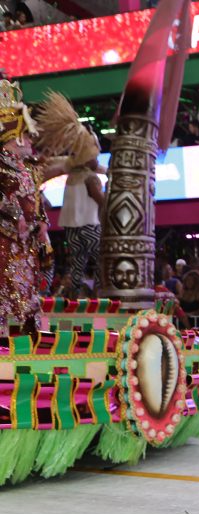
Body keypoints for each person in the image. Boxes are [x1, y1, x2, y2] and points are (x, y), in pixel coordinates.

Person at [35, 92, 103, 299]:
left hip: (74, 227)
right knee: (99, 257)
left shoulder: (74, 174)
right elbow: (101, 199)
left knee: (79, 261)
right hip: (87, 225)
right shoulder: (88, 177)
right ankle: (97, 292)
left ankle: (75, 294)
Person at [0, 79, 48, 334]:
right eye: (27, 136)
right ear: (15, 138)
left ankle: (28, 338)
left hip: (26, 243)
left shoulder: (29, 169)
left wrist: (43, 222)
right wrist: (16, 214)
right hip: (4, 240)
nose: (31, 141)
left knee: (27, 289)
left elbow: (37, 199)